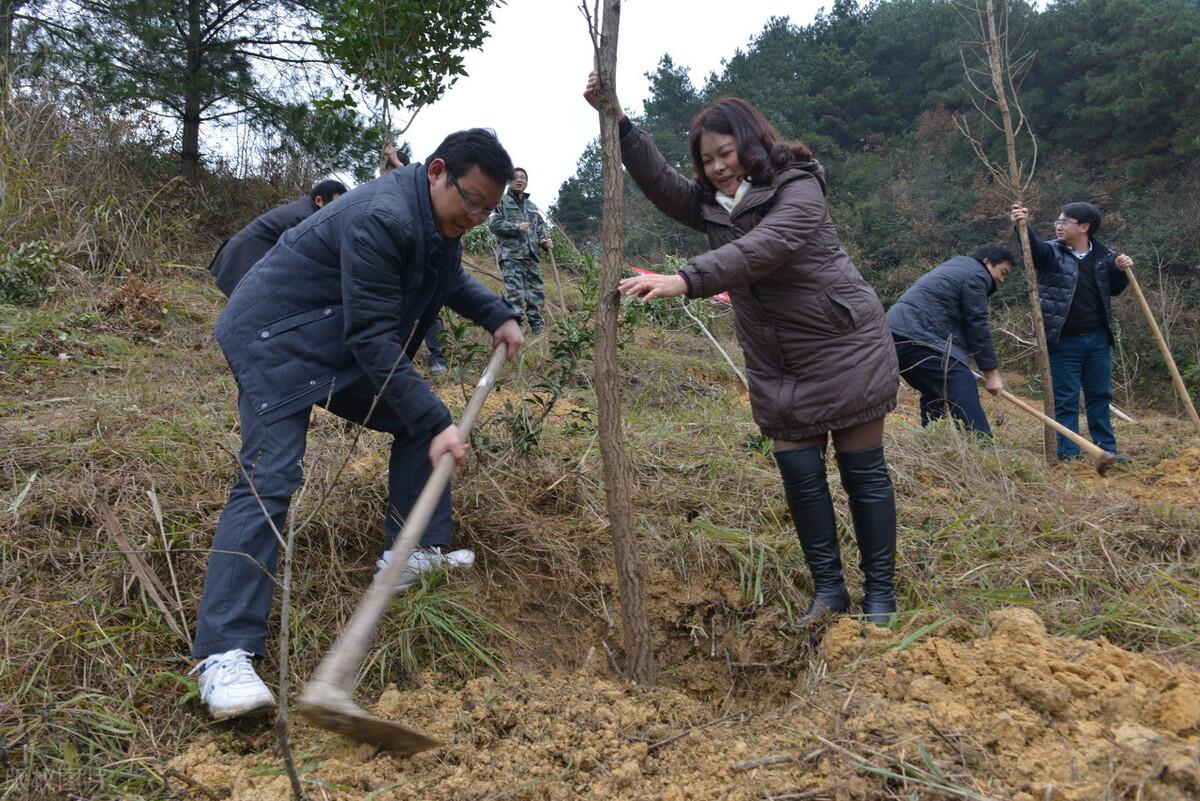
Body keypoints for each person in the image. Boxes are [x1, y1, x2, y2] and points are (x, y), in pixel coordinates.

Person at [190, 129, 524, 721]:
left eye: (488, 209)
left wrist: (497, 314)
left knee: (427, 420)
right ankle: (225, 656)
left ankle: (412, 551)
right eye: (469, 200)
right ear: (437, 171)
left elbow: (448, 281)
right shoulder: (384, 216)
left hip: (328, 340)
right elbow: (371, 337)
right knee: (271, 480)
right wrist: (430, 414)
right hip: (275, 339)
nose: (475, 217)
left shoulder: (437, 221)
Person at [585, 74, 900, 628]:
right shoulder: (714, 205)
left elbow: (767, 246)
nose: (717, 167)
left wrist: (687, 278)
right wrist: (620, 122)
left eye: (726, 153)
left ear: (752, 144)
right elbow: (662, 184)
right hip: (778, 360)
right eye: (706, 160)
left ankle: (881, 597)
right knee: (800, 474)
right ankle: (830, 592)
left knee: (861, 473)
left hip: (843, 344)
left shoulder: (799, 186)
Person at [1010, 203, 1133, 460]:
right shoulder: (1051, 253)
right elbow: (1031, 248)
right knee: (1065, 399)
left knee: (1100, 396)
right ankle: (1069, 454)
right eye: (1058, 221)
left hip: (1098, 339)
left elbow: (1113, 289)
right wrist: (1022, 225)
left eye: (1065, 221)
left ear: (1084, 227)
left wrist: (1121, 270)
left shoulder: (1104, 256)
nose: (1058, 225)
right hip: (1063, 340)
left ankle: (1107, 451)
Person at [888, 245, 1015, 437]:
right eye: (1002, 272)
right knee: (960, 380)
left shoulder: (958, 266)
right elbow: (976, 323)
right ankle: (981, 445)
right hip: (916, 335)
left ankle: (934, 439)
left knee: (934, 386)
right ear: (987, 262)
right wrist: (991, 373)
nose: (1001, 279)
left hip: (894, 333)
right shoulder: (977, 275)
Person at [207, 179, 347, 297]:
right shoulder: (304, 217)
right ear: (319, 200)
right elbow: (297, 256)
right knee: (243, 314)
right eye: (335, 204)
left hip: (241, 255)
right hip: (241, 260)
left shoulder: (305, 209)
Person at [383, 142, 448, 374]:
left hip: (421, 260)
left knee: (429, 310)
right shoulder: (380, 195)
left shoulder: (420, 193)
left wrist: (393, 157)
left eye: (393, 169)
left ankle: (438, 357)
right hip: (389, 262)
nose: (389, 174)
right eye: (387, 170)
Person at [488, 167, 553, 335]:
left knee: (536, 294)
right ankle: (517, 329)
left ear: (526, 182)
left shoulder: (532, 207)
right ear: (509, 181)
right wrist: (516, 227)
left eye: (523, 178)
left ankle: (537, 328)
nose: (519, 180)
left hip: (532, 257)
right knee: (515, 294)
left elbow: (540, 232)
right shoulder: (500, 201)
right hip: (511, 257)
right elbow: (493, 225)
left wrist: (545, 243)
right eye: (515, 177)